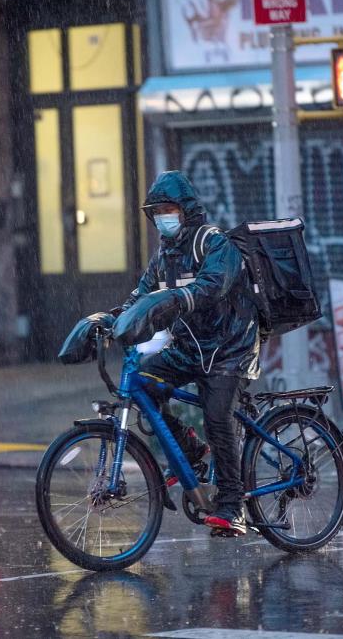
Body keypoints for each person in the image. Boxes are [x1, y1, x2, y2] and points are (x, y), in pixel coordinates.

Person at [114, 170, 261, 537]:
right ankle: (191, 451)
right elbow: (140, 295)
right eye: (157, 211)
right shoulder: (165, 255)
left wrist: (178, 299)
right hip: (190, 347)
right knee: (143, 385)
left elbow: (213, 285)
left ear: (186, 210)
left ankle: (233, 505)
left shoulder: (213, 243)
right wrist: (112, 319)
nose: (162, 216)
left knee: (217, 416)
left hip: (230, 347)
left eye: (169, 209)